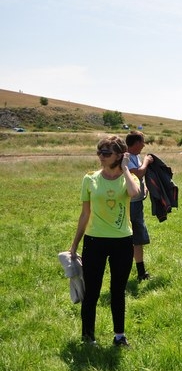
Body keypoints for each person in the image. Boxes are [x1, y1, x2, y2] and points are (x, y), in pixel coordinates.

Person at [69, 135, 141, 347]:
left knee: (118, 291)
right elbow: (85, 214)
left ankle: (119, 336)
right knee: (91, 291)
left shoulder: (129, 178)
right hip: (94, 241)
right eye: (99, 152)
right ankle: (88, 338)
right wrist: (74, 244)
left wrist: (126, 168)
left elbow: (134, 193)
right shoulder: (89, 179)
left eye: (106, 153)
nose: (101, 156)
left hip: (122, 242)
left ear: (119, 155)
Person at [125, 131, 153, 281]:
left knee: (137, 238)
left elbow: (138, 178)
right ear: (136, 143)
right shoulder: (126, 158)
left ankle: (141, 272)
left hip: (137, 202)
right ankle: (134, 271)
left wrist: (144, 187)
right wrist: (147, 161)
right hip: (130, 204)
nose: (143, 145)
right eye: (142, 142)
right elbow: (138, 173)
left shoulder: (135, 156)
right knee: (133, 238)